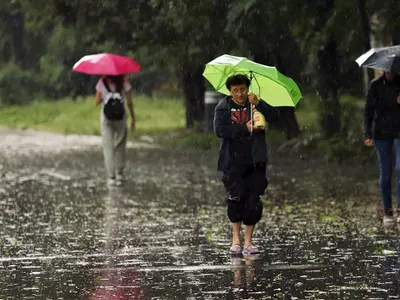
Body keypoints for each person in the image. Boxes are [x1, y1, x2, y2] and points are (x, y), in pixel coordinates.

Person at [213, 74, 278, 255]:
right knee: (237, 197)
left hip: (256, 159)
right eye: (235, 91)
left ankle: (249, 242)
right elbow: (220, 130)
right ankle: (235, 239)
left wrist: (259, 104)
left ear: (247, 88)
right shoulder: (223, 107)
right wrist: (244, 128)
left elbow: (276, 117)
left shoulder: (255, 104)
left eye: (242, 89)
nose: (239, 94)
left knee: (253, 200)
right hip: (232, 161)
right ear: (230, 91)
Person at [364, 71, 400, 227]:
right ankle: (387, 210)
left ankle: (399, 208)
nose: (390, 73)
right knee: (386, 173)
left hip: (399, 133)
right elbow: (368, 112)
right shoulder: (375, 85)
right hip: (381, 135)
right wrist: (367, 133)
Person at [95, 75, 135, 187]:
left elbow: (97, 101)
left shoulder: (102, 82)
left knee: (108, 147)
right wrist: (133, 118)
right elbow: (129, 102)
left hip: (106, 118)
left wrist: (107, 96)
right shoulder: (124, 82)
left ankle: (111, 176)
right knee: (120, 144)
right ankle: (120, 174)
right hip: (120, 117)